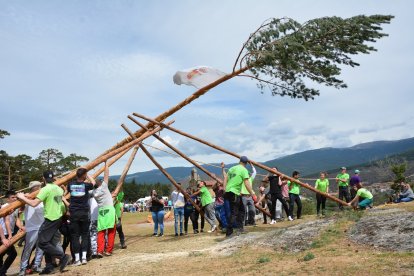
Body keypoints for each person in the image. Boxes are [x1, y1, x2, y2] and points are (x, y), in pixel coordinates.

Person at [16, 170, 71, 275]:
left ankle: (63, 257)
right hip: (58, 218)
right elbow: (59, 203)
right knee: (46, 242)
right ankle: (50, 264)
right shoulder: (58, 189)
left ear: (43, 179)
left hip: (51, 218)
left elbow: (34, 203)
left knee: (42, 243)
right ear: (53, 177)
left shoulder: (45, 189)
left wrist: (23, 197)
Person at [67, 168, 96, 265]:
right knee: (84, 235)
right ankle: (84, 258)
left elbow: (67, 189)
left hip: (74, 213)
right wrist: (88, 175)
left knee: (75, 236)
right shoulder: (86, 185)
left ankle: (77, 259)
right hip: (84, 213)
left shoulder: (70, 185)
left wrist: (81, 175)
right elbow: (93, 182)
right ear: (83, 175)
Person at [224, 156, 257, 237]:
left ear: (240, 161)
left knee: (241, 209)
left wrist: (224, 189)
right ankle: (229, 232)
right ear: (246, 163)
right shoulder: (243, 170)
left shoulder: (231, 168)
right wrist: (252, 194)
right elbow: (246, 183)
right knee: (234, 212)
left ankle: (240, 228)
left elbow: (225, 179)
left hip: (228, 191)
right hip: (234, 192)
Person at [18, 181, 44, 276]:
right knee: (28, 249)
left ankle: (36, 265)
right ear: (33, 188)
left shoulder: (42, 196)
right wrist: (23, 197)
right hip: (31, 227)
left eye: (39, 187)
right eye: (37, 187)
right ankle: (23, 268)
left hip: (42, 226)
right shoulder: (26, 198)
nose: (38, 188)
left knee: (40, 248)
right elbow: (20, 209)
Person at [93, 161, 117, 257]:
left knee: (101, 232)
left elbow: (92, 182)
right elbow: (106, 175)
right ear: (100, 183)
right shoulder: (104, 187)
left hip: (102, 211)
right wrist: (106, 164)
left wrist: (87, 175)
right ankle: (108, 250)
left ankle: (99, 251)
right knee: (111, 231)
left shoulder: (94, 192)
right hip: (109, 211)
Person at [0, 190, 22, 276]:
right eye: (12, 197)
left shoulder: (15, 206)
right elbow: (7, 221)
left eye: (15, 197)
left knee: (3, 253)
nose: (15, 199)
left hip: (8, 233)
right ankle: (2, 272)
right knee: (12, 253)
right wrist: (8, 235)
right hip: (4, 233)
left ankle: (2, 271)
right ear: (8, 199)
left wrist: (20, 227)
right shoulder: (5, 207)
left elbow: (17, 219)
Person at [213, 164, 227, 232]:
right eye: (217, 183)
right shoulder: (215, 189)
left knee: (222, 215)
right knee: (216, 215)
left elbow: (224, 179)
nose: (218, 183)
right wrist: (216, 181)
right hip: (217, 203)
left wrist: (215, 177)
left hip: (222, 203)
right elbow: (213, 187)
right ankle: (221, 223)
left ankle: (223, 225)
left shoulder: (223, 188)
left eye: (219, 183)